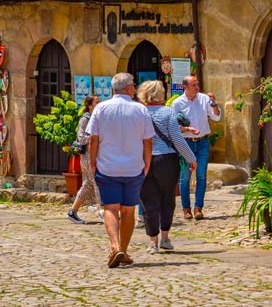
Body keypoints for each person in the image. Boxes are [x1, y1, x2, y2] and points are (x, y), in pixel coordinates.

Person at [87, 72, 154, 269]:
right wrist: (147, 163)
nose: (135, 88)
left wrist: (92, 162)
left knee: (110, 208)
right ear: (128, 88)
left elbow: (93, 139)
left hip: (108, 166)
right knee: (128, 210)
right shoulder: (140, 110)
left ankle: (115, 247)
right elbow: (148, 140)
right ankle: (122, 249)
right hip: (133, 167)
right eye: (134, 85)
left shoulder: (101, 108)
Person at [137, 80, 196, 254]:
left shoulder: (139, 112)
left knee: (148, 200)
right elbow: (177, 139)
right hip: (167, 160)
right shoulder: (168, 112)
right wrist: (191, 158)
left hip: (144, 160)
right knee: (167, 198)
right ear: (160, 94)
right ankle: (165, 238)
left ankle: (152, 242)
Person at [171, 75, 221, 220]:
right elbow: (173, 126)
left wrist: (214, 103)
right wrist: (187, 129)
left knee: (201, 175)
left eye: (197, 84)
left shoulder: (204, 99)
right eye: (193, 85)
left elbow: (216, 117)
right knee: (185, 177)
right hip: (186, 143)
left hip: (203, 142)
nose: (197, 87)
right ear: (185, 87)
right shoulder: (177, 103)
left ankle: (198, 207)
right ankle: (186, 209)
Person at [67, 95, 100, 224]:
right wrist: (92, 137)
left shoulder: (96, 118)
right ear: (90, 105)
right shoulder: (85, 119)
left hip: (95, 155)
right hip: (87, 156)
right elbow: (80, 138)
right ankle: (104, 210)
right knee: (97, 182)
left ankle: (72, 211)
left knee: (87, 184)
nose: (99, 104)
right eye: (96, 102)